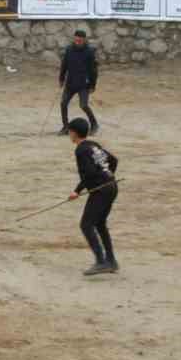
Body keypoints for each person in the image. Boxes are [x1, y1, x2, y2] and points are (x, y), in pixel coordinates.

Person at [66, 118, 119, 276]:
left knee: (86, 224)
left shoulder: (81, 150)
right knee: (100, 224)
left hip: (101, 191)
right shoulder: (93, 145)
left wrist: (77, 191)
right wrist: (108, 177)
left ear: (74, 133)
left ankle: (101, 262)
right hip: (112, 187)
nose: (69, 134)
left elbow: (88, 173)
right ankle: (111, 261)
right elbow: (113, 161)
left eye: (69, 131)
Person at [57, 29, 99, 136]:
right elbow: (64, 65)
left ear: (84, 40)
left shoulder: (89, 52)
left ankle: (94, 124)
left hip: (83, 84)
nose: (78, 42)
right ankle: (66, 127)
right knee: (63, 103)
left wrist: (93, 85)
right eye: (76, 40)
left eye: (80, 40)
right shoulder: (69, 50)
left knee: (83, 105)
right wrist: (61, 78)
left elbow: (93, 70)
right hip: (70, 83)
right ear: (74, 39)